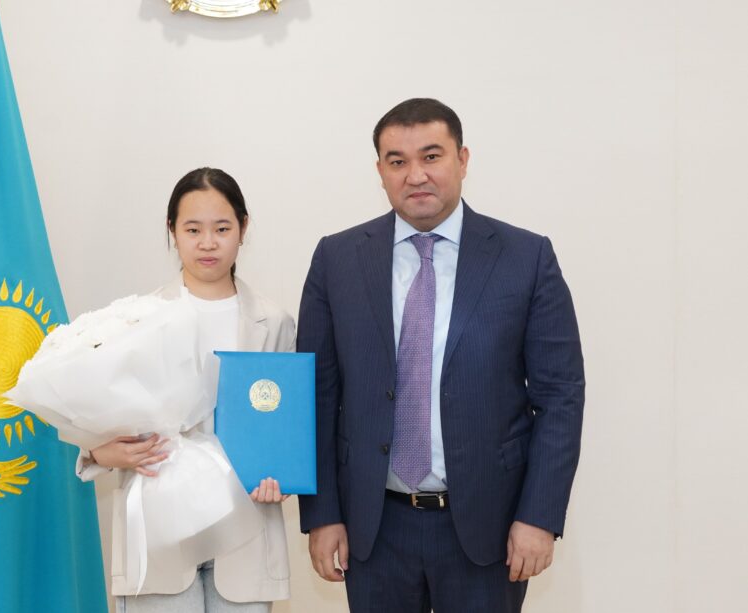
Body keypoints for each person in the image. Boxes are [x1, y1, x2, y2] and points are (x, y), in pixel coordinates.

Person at [296, 98, 585, 612]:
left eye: (431, 156)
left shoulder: (526, 257)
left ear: (463, 159)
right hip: (373, 528)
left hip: (489, 527)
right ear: (380, 171)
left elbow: (560, 396)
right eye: (398, 161)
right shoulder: (336, 259)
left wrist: (539, 516)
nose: (416, 175)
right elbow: (316, 395)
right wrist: (322, 514)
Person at [77, 167, 294, 613]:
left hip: (245, 526)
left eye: (222, 229)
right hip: (159, 527)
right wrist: (100, 453)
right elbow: (100, 416)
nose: (208, 243)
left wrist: (284, 476)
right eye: (193, 229)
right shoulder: (136, 319)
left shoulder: (274, 321)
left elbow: (287, 423)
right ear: (172, 231)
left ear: (243, 228)